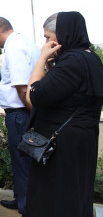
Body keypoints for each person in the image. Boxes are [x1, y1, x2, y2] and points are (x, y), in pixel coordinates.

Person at [25, 11, 103, 217]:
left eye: (48, 37)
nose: (46, 43)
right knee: (75, 193)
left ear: (64, 35)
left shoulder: (71, 62)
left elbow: (34, 95)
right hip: (81, 139)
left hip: (61, 146)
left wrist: (42, 59)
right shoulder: (90, 58)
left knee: (55, 199)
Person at [0, 17, 40, 215]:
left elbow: (21, 87)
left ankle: (26, 207)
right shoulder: (25, 42)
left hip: (20, 114)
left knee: (23, 161)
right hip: (23, 112)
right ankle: (21, 199)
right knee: (22, 162)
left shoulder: (14, 47)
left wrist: (31, 112)